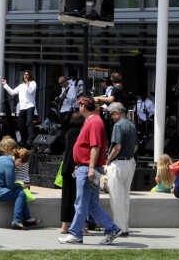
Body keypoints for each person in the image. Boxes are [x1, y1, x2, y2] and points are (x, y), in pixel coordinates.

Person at [58, 97, 121, 245]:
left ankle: (75, 234)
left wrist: (90, 167)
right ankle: (111, 229)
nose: (78, 108)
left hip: (88, 169)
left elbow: (95, 147)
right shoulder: (93, 121)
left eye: (79, 105)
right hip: (86, 167)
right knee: (91, 203)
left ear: (83, 106)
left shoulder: (93, 122)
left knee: (81, 202)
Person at [0, 136, 39, 229]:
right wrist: (21, 185)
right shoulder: (9, 165)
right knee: (21, 194)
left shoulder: (2, 158)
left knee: (20, 192)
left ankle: (28, 219)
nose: (20, 167)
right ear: (19, 160)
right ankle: (17, 221)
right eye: (21, 165)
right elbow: (11, 185)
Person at [104, 101, 137, 235]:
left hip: (118, 163)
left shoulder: (118, 126)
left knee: (116, 198)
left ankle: (118, 228)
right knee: (125, 198)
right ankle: (124, 227)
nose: (111, 117)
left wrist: (108, 159)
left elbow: (117, 147)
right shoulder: (132, 125)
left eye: (111, 114)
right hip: (129, 163)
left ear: (117, 113)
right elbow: (135, 147)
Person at [59, 113, 86, 235]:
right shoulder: (82, 132)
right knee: (79, 197)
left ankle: (65, 225)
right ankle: (81, 226)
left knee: (66, 198)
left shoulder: (68, 133)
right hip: (77, 166)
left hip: (67, 166)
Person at [2, 70, 37, 146]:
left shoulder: (33, 83)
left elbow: (31, 91)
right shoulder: (20, 86)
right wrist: (5, 85)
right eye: (25, 75)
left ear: (30, 76)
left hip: (30, 105)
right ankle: (23, 140)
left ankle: (31, 139)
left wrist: (28, 83)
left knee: (30, 121)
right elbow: (12, 92)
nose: (26, 76)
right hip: (22, 107)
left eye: (27, 75)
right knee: (21, 124)